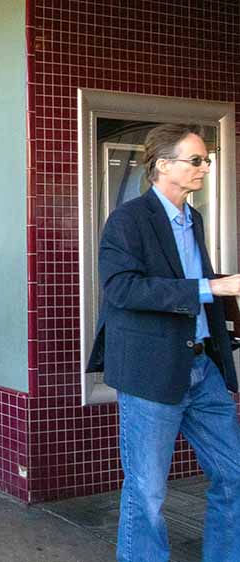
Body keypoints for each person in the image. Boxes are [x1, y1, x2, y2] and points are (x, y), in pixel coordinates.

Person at [87, 124, 240, 562]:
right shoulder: (128, 220)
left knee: (232, 475)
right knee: (147, 492)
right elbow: (122, 290)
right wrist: (213, 288)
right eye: (196, 160)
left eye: (206, 159)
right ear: (162, 166)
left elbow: (190, 283)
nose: (205, 168)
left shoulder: (194, 218)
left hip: (202, 368)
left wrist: (216, 290)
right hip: (151, 372)